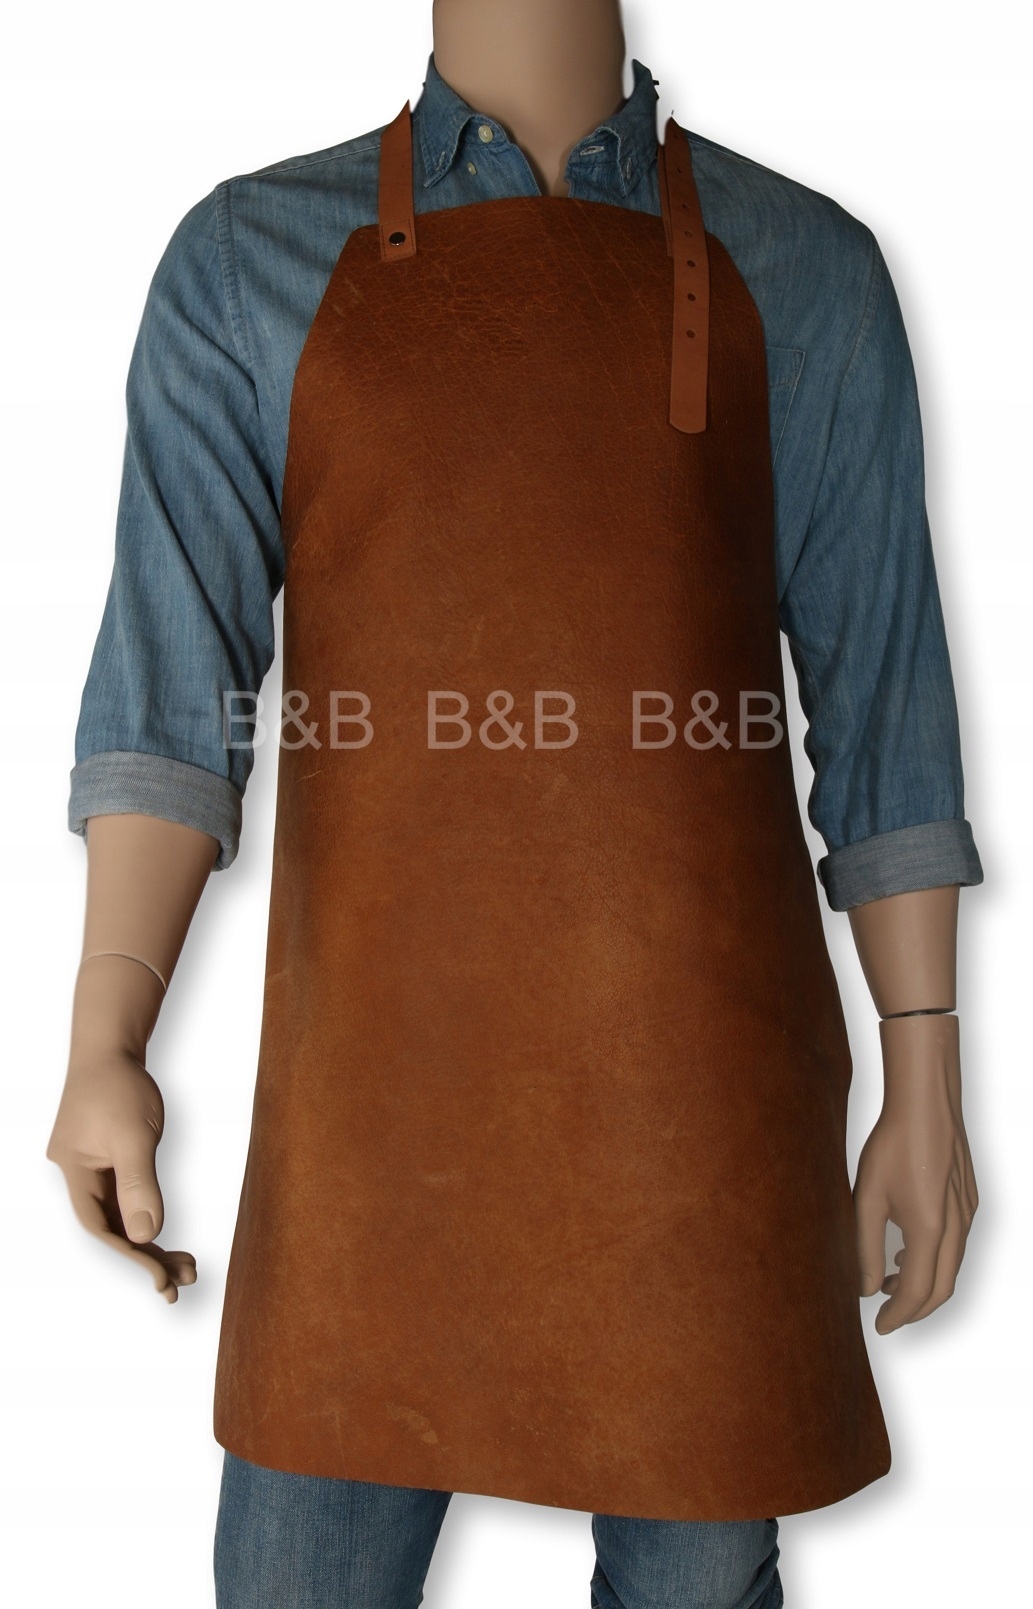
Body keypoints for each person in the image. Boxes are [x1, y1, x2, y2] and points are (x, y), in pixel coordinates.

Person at [46, 2, 982, 1605]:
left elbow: (884, 707)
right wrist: (102, 1033)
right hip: (364, 1138)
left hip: (700, 1131)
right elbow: (172, 692)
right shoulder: (249, 260)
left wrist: (926, 1071)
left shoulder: (801, 268)